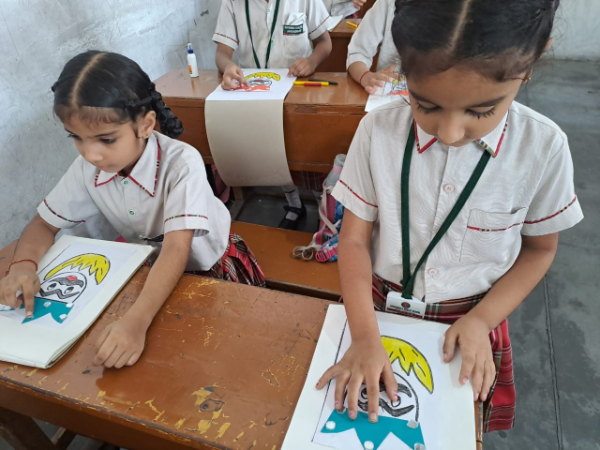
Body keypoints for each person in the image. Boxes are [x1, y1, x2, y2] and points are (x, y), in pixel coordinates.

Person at [317, 0, 581, 432]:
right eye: (425, 105)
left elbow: (539, 250)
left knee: (448, 430)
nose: (450, 133)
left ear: (531, 63)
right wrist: (364, 335)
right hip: (376, 312)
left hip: (471, 320)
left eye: (481, 111)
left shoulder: (544, 148)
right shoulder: (377, 131)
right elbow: (353, 240)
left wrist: (482, 320)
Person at [0, 51, 265, 369]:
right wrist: (23, 265)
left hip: (207, 269)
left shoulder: (182, 164)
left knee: (217, 353)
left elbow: (177, 250)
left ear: (146, 125)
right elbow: (43, 225)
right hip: (147, 270)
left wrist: (136, 322)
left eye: (106, 139)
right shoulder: (88, 168)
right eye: (77, 138)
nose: (91, 154)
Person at [213, 0, 333, 229]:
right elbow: (222, 52)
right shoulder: (233, 3)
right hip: (256, 92)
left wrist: (311, 61)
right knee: (273, 154)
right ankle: (294, 204)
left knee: (309, 155)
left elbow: (324, 43)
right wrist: (227, 66)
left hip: (298, 92)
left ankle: (322, 207)